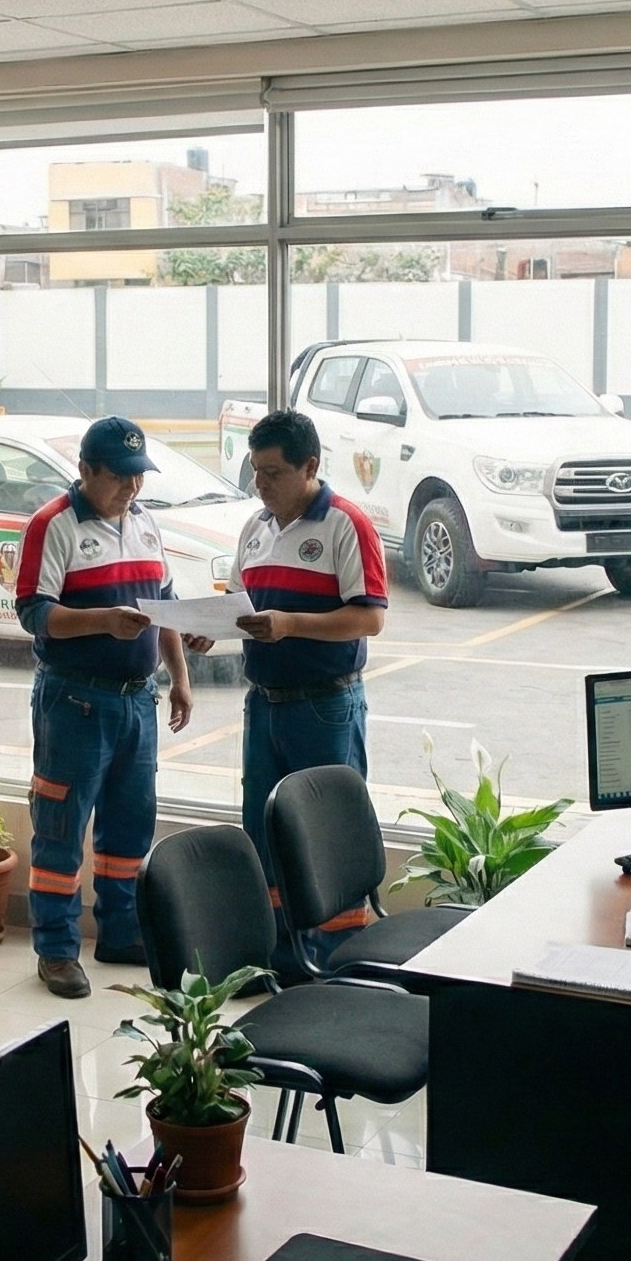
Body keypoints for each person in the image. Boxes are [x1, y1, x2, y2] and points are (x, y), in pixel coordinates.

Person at [13, 416, 209, 999]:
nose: (132, 488)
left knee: (130, 826)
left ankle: (120, 932)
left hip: (137, 703)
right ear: (86, 470)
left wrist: (180, 675)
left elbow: (164, 608)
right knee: (60, 828)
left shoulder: (146, 524)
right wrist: (104, 620)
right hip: (74, 701)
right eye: (120, 476)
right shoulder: (53, 526)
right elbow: (33, 613)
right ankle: (55, 950)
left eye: (139, 476)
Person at [233, 410, 387, 972]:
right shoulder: (255, 527)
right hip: (263, 705)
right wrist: (212, 630)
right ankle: (280, 959)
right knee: (264, 832)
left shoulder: (346, 524)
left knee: (327, 838)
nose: (262, 485)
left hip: (324, 706)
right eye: (256, 472)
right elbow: (240, 607)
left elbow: (368, 620)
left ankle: (341, 963)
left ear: (311, 467)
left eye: (273, 473)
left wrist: (292, 624)